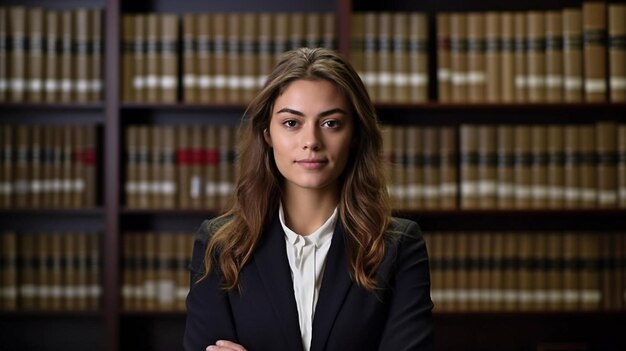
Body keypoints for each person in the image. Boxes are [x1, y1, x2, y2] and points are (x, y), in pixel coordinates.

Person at [183, 47, 434, 351]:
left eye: (331, 123)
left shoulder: (398, 246)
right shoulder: (218, 246)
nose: (311, 142)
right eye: (292, 123)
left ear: (354, 134)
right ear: (267, 134)